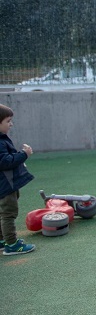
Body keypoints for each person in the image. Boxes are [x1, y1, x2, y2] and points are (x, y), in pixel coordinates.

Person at [0, 105, 36, 256]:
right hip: (5, 186)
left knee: (2, 213)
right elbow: (5, 161)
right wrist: (24, 154)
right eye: (8, 121)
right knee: (8, 213)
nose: (11, 124)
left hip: (5, 184)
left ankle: (3, 240)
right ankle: (11, 245)